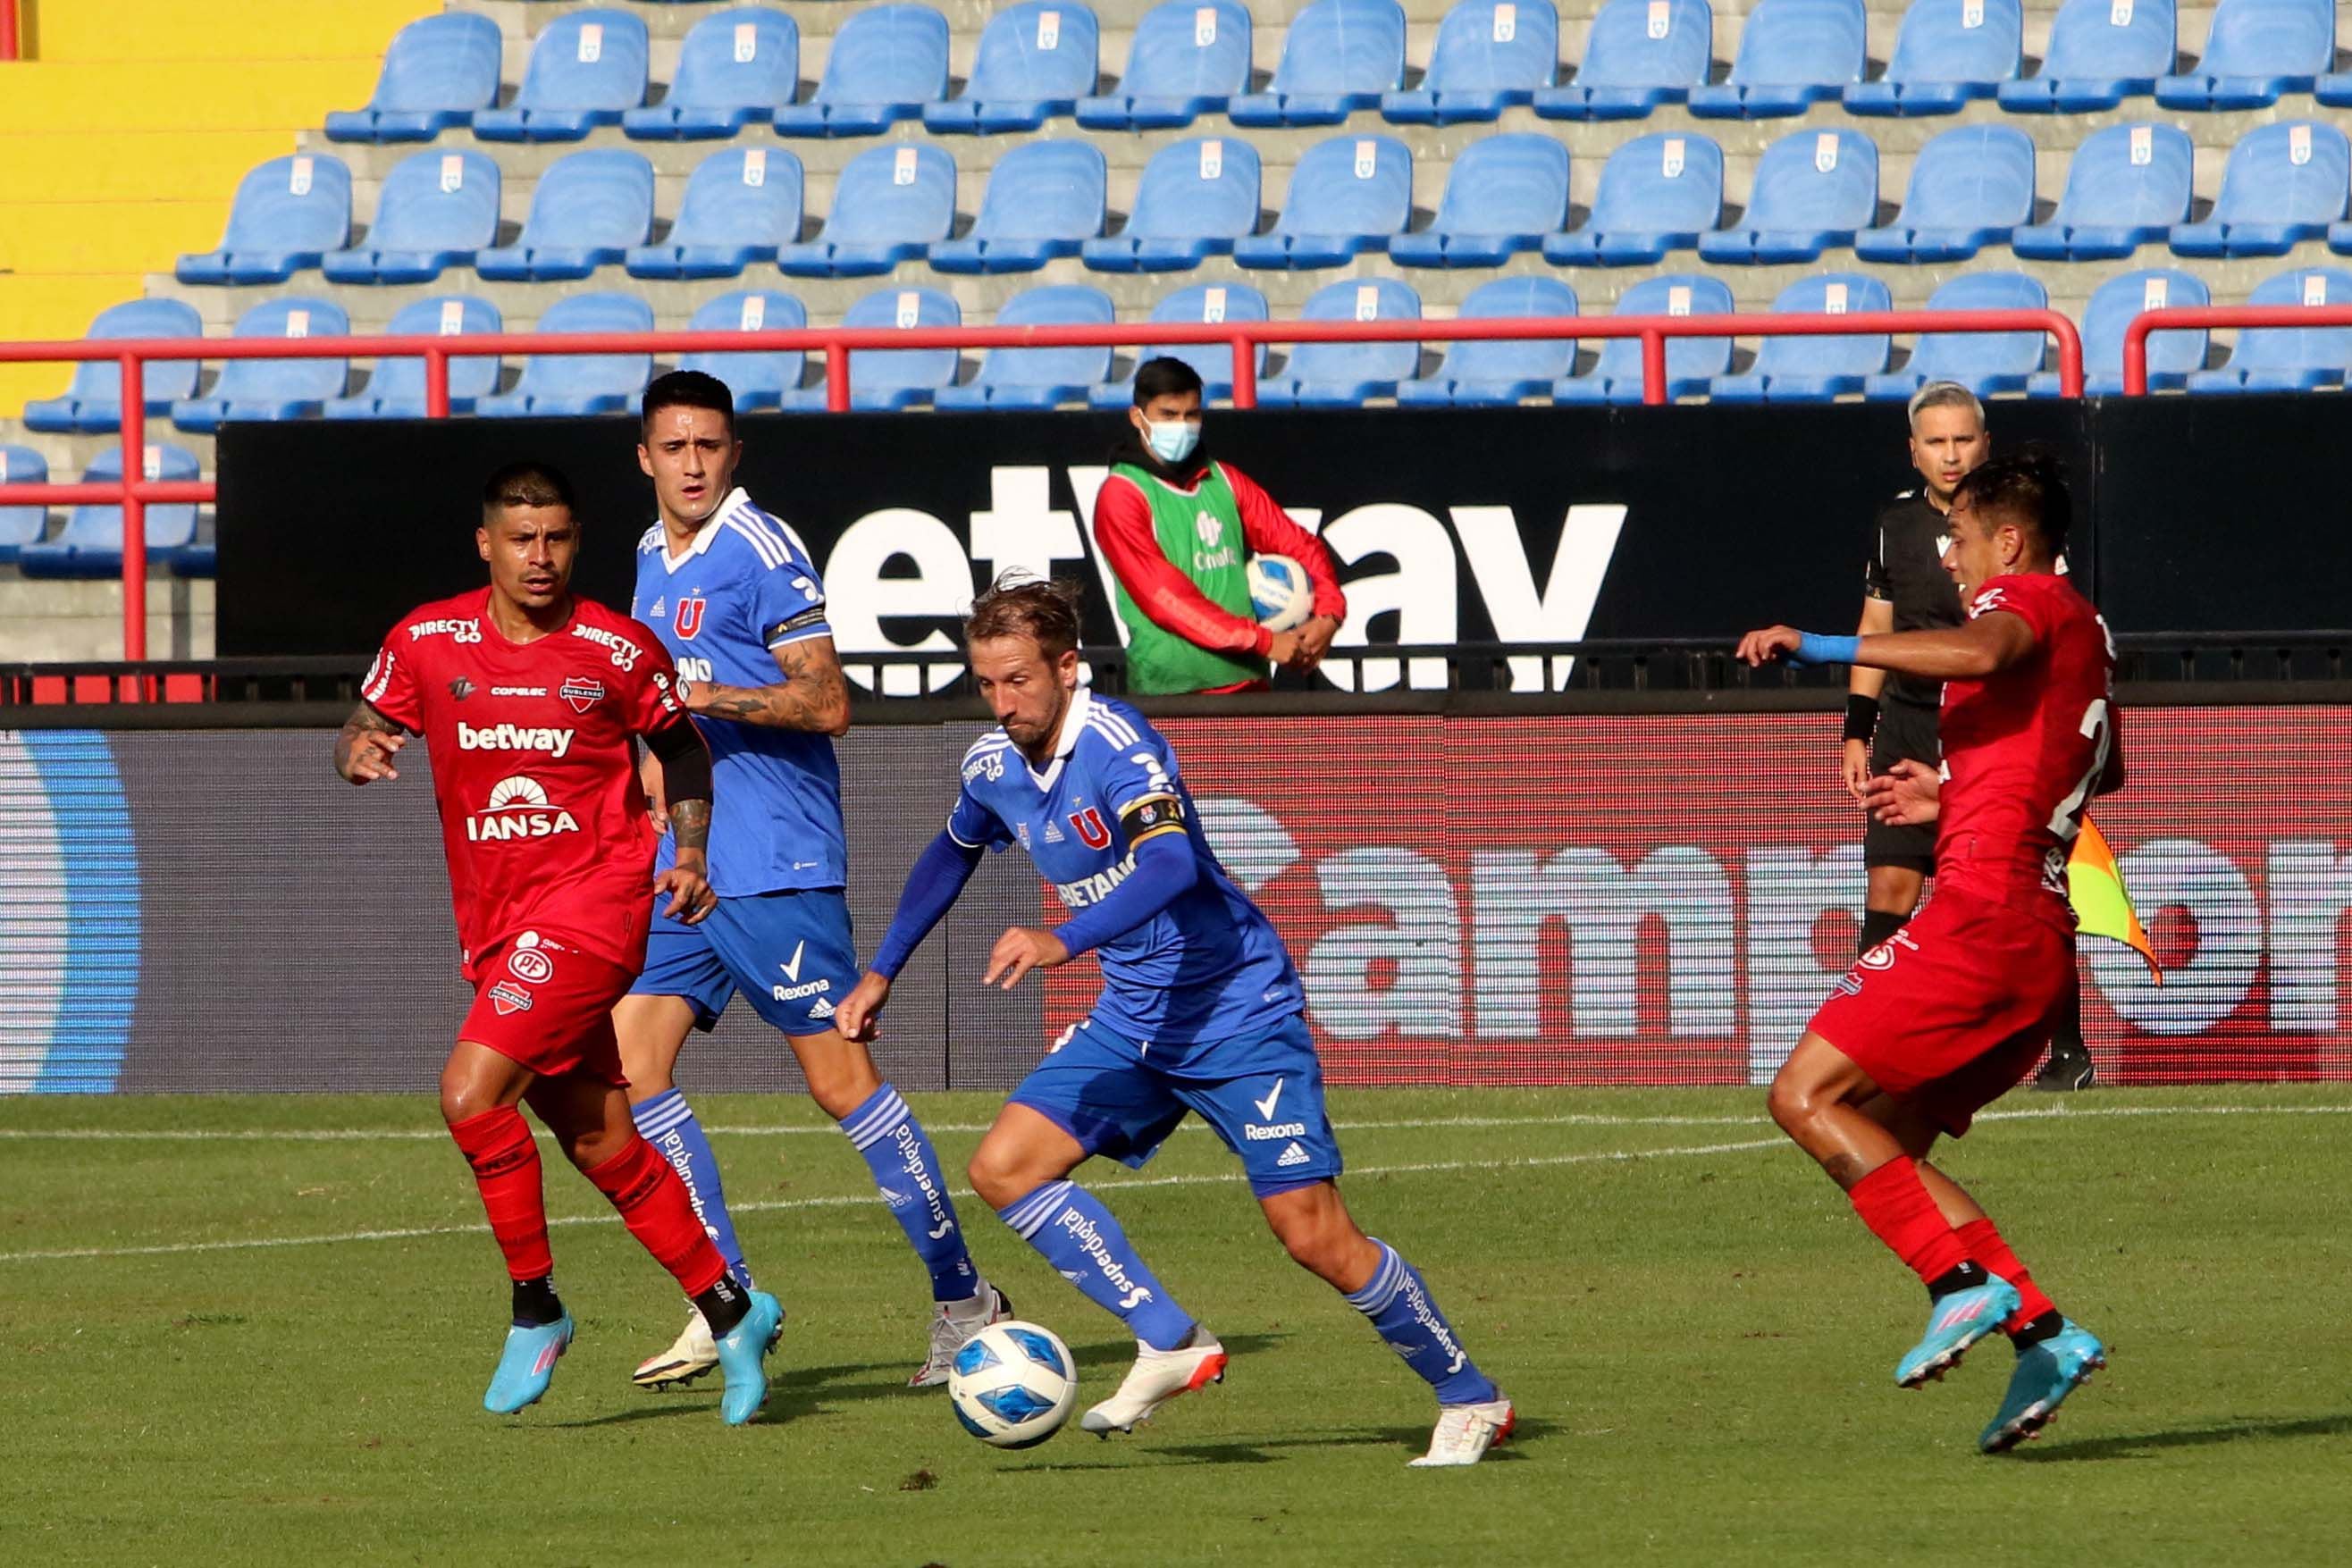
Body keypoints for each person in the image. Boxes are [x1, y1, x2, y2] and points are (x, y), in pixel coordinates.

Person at [834, 574, 1514, 1468]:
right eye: (988, 683)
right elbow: (949, 853)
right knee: (1004, 1168)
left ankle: (1471, 1395)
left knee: (1311, 1233)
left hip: (1237, 1010)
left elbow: (1170, 869)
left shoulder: (1118, 744)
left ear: (1067, 669)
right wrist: (882, 971)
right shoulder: (993, 765)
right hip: (1135, 1021)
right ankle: (1169, 1334)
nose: (1002, 704)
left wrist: (1061, 938)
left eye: (1019, 682)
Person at [335, 460, 782, 1423]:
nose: (543, 558)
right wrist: (358, 747)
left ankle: (536, 1307)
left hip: (596, 908)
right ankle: (730, 1307)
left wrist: (692, 853)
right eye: (524, 539)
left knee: (469, 1093)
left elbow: (683, 750)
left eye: (560, 539)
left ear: (578, 542)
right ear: (486, 544)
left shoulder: (620, 651)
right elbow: (368, 720)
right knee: (598, 1139)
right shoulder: (425, 638)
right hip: (498, 925)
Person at [616, 371, 1004, 1394]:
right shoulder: (651, 557)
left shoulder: (762, 546)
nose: (693, 464)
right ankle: (726, 1297)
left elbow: (829, 703)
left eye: (710, 446)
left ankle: (964, 1295)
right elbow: (661, 719)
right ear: (645, 457)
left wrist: (712, 694)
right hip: (686, 861)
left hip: (776, 859)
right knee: (629, 1064)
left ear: (732, 453)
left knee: (840, 1083)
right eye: (675, 446)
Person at [1736, 453, 2121, 1454]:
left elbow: (1986, 650)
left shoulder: (2023, 596)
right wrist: (1949, 800)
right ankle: (2043, 1330)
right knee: (1886, 1150)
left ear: (2008, 538)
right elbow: (2079, 767)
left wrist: (1828, 644)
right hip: (2030, 932)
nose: (1948, 558)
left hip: (1982, 918)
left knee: (1802, 1096)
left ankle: (1958, 1284)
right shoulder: (2085, 636)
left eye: (1958, 539)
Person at [1841, 382, 2096, 1092]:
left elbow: (2046, 625)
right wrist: (1859, 728)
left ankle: (2066, 1049)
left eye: (1964, 440)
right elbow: (1876, 631)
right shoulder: (1893, 526)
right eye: (1937, 442)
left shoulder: (2016, 526)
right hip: (1913, 719)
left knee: (2024, 885)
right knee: (1891, 881)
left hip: (1994, 723)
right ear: (1913, 450)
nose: (1952, 455)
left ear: (1986, 444)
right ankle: (1875, 1046)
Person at [1093, 356, 1347, 693]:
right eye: (1168, 415)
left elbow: (1299, 544)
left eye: (1192, 414)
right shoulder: (1122, 495)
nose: (1182, 425)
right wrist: (1263, 641)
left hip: (1248, 685)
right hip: (1172, 694)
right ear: (1137, 417)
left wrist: (1329, 613)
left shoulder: (1225, 480)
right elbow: (1165, 598)